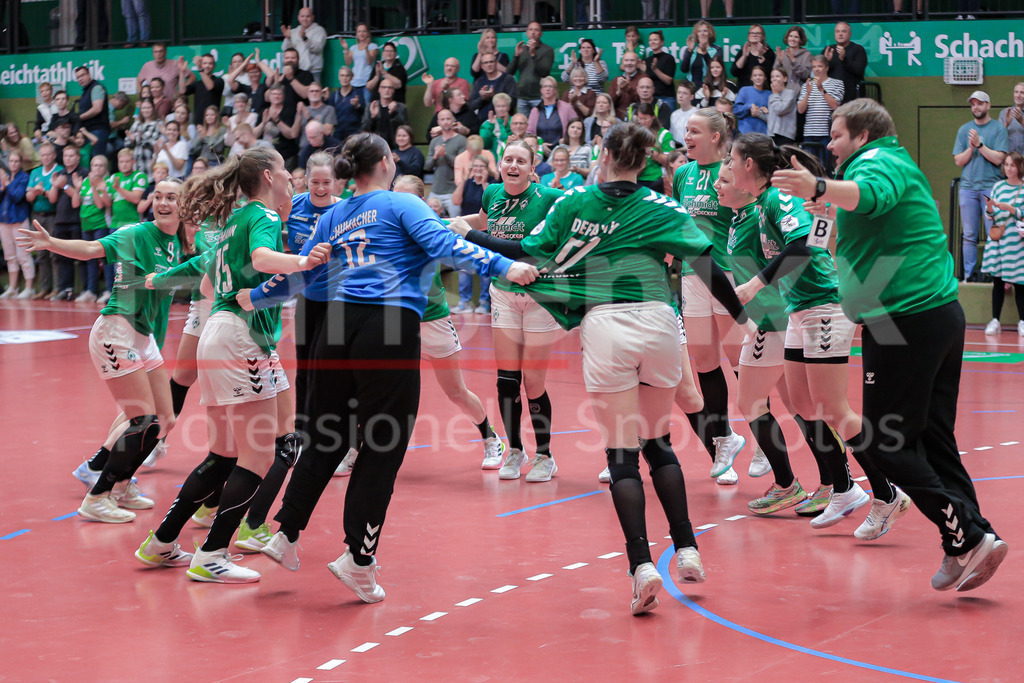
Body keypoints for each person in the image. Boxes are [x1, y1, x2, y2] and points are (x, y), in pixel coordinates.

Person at [450, 123, 751, 615]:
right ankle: (687, 547)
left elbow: (526, 251)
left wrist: (470, 236)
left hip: (607, 325)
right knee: (658, 443)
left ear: (605, 155)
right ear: (645, 161)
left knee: (622, 455)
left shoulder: (576, 202)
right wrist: (742, 316)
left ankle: (641, 566)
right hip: (658, 321)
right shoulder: (663, 206)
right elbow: (706, 265)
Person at [236, 132, 536, 600]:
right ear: (384, 163)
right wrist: (504, 267)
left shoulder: (333, 215)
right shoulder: (401, 203)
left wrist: (254, 296)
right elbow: (445, 245)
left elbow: (304, 272)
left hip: (336, 326)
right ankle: (359, 560)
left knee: (327, 435)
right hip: (388, 327)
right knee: (383, 444)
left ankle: (286, 533)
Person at [772, 98, 1008, 590]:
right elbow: (843, 235)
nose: (830, 145)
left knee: (884, 439)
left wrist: (819, 186)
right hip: (929, 317)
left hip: (904, 320)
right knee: (933, 438)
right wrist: (827, 210)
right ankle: (970, 538)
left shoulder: (877, 161)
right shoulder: (876, 168)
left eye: (836, 135)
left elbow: (870, 194)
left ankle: (966, 537)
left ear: (861, 135)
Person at [135, 148, 330, 581]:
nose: (290, 176)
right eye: (284, 169)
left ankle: (163, 541)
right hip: (241, 337)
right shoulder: (264, 215)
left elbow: (207, 284)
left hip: (220, 330)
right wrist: (304, 261)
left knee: (226, 452)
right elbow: (260, 259)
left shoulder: (229, 222)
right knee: (258, 455)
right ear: (268, 176)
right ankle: (212, 554)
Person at [732, 131, 908, 531]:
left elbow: (803, 247)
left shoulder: (777, 198)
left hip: (824, 307)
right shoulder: (762, 205)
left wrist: (756, 284)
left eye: (731, 160)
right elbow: (817, 239)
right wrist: (823, 218)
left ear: (749, 165)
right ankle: (844, 489)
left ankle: (887, 493)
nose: (727, 166)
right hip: (799, 310)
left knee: (832, 407)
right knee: (803, 405)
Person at [18, 179, 185, 522]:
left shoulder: (176, 243)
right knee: (143, 421)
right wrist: (51, 242)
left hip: (144, 336)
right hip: (116, 332)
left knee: (165, 420)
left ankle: (120, 486)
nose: (163, 202)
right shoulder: (136, 234)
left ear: (184, 206)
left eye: (172, 197)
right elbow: (91, 248)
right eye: (158, 196)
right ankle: (97, 497)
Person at [451, 141, 564, 483]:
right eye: (508, 159)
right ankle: (515, 449)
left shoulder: (550, 198)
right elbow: (484, 223)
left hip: (540, 295)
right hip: (503, 293)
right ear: (500, 165)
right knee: (506, 380)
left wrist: (469, 233)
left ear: (532, 168)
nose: (513, 165)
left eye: (521, 161)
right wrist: (446, 222)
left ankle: (545, 455)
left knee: (534, 381)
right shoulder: (492, 193)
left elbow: (529, 248)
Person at [672, 109, 755, 483]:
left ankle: (763, 440)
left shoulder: (734, 171)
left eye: (695, 131)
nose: (687, 136)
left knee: (741, 362)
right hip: (692, 275)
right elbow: (680, 224)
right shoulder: (683, 174)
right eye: (686, 130)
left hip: (728, 274)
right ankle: (724, 440)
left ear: (716, 137)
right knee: (705, 362)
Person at [955, 91, 1010, 282]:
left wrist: (979, 145)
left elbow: (999, 159)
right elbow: (959, 161)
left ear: (988, 105)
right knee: (969, 235)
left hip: (991, 188)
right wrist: (970, 148)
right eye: (973, 104)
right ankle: (969, 276)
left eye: (980, 103)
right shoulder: (964, 130)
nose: (976, 107)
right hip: (968, 188)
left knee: (993, 233)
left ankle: (994, 275)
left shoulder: (998, 129)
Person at [981, 152, 1024, 336]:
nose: (1008, 168)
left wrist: (1010, 209)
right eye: (1006, 165)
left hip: (1017, 242)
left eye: (1012, 165)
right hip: (998, 241)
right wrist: (990, 208)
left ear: (1019, 167)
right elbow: (990, 216)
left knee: (1020, 283)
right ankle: (995, 320)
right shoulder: (998, 186)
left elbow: (1022, 213)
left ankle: (1022, 321)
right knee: (997, 281)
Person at [451, 158, 496, 314]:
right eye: (475, 166)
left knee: (485, 266)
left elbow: (492, 204)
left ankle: (485, 303)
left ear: (487, 169)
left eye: (481, 166)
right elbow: (455, 201)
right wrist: (463, 180)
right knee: (464, 266)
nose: (478, 169)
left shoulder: (492, 185)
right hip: (465, 231)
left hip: (485, 232)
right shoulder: (467, 183)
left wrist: (484, 183)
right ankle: (464, 302)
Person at [25, 142, 62, 299]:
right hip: (37, 216)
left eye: (48, 155)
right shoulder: (35, 172)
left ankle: (57, 288)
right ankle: (44, 288)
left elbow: (54, 198)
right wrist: (35, 191)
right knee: (41, 254)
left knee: (55, 253)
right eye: (43, 155)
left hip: (53, 215)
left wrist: (43, 192)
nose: (45, 158)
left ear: (54, 155)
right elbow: (28, 197)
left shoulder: (59, 171)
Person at [798, 55, 844, 171]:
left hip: (827, 133)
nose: (816, 69)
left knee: (825, 168)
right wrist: (808, 93)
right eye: (814, 67)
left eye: (820, 66)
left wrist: (821, 89)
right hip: (809, 132)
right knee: (810, 168)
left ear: (826, 68)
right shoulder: (807, 85)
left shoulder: (837, 83)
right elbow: (800, 110)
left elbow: (835, 106)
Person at [0, 151, 35, 298]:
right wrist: (2, 188)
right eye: (11, 161)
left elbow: (18, 196)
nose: (13, 164)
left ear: (20, 163)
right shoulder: (5, 177)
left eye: (16, 161)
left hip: (19, 220)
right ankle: (12, 287)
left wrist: (7, 185)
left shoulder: (24, 177)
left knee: (23, 255)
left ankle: (29, 288)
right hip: (4, 221)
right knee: (10, 256)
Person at [425, 110, 467, 217]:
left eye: (448, 119)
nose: (446, 122)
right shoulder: (434, 141)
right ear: (438, 122)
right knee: (430, 219)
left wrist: (445, 154)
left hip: (453, 191)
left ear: (453, 120)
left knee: (456, 221)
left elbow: (461, 165)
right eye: (442, 119)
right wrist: (435, 157)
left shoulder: (461, 140)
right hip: (435, 190)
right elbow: (427, 166)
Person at [508, 22, 555, 116]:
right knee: (522, 124)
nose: (533, 32)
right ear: (526, 33)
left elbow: (544, 73)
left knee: (539, 123)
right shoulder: (522, 49)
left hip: (539, 96)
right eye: (530, 29)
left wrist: (533, 55)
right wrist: (516, 56)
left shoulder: (547, 50)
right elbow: (509, 72)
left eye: (536, 30)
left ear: (541, 34)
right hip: (522, 96)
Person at [528, 77, 574, 154]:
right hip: (539, 152)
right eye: (545, 86)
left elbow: (576, 125)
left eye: (550, 86)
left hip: (561, 150)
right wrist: (540, 144)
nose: (547, 89)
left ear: (556, 90)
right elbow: (529, 132)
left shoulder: (567, 108)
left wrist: (566, 140)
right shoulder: (535, 111)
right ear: (541, 90)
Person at [824, 22, 866, 105]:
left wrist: (844, 59)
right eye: (837, 31)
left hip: (852, 96)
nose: (840, 34)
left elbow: (859, 70)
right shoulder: (829, 50)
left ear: (850, 34)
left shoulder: (858, 49)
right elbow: (819, 73)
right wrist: (826, 62)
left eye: (844, 31)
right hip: (831, 95)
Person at [633, 103, 672, 192]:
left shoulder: (664, 134)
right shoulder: (635, 134)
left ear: (653, 117)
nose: (642, 122)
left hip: (656, 179)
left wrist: (651, 152)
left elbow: (669, 161)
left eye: (645, 118)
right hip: (637, 178)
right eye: (640, 119)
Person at [281, 7, 327, 84]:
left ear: (312, 17)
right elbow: (285, 50)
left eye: (307, 16)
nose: (305, 19)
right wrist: (287, 38)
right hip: (297, 71)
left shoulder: (319, 30)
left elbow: (317, 48)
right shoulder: (293, 31)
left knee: (314, 91)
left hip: (313, 71)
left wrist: (305, 39)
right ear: (298, 18)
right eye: (302, 16)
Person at [469, 52, 518, 122]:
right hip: (483, 123)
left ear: (496, 63)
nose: (489, 65)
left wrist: (493, 95)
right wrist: (482, 98)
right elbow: (471, 106)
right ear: (482, 66)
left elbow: (513, 102)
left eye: (491, 62)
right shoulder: (479, 81)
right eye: (486, 63)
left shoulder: (508, 79)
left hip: (504, 122)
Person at [179, 54, 225, 128]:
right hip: (198, 125)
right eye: (205, 63)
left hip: (213, 124)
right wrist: (181, 72)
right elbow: (182, 91)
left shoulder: (219, 81)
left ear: (214, 66)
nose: (207, 66)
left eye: (210, 63)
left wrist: (200, 68)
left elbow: (210, 86)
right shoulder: (197, 84)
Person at [75, 66, 110, 161]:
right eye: (78, 77)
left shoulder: (96, 88)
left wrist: (79, 117)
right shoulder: (86, 91)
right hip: (89, 131)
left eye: (82, 75)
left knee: (98, 160)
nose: (80, 79)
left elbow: (97, 109)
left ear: (89, 75)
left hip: (98, 131)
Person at [338, 23, 378, 106]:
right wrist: (345, 49)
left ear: (368, 33)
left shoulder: (373, 46)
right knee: (354, 106)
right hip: (354, 82)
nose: (361, 33)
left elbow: (369, 61)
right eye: (359, 31)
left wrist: (366, 48)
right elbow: (348, 62)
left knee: (367, 106)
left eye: (364, 31)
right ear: (356, 34)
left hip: (367, 82)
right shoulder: (353, 47)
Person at [360, 82, 408, 149]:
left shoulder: (400, 107)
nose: (387, 90)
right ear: (379, 89)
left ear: (393, 90)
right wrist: (372, 117)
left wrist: (393, 114)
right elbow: (364, 129)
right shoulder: (371, 106)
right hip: (375, 146)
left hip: (395, 147)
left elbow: (405, 129)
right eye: (384, 87)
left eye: (390, 87)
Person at [127, 99, 164, 178]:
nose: (146, 110)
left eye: (148, 108)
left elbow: (156, 144)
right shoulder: (136, 123)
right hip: (136, 166)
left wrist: (141, 138)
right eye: (144, 108)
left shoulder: (158, 123)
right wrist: (132, 140)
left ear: (153, 109)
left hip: (150, 165)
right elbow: (126, 142)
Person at [731, 25, 775, 91]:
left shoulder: (768, 52)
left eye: (758, 33)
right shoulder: (743, 51)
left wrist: (760, 56)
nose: (754, 35)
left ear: (763, 36)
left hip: (763, 91)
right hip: (745, 90)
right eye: (752, 33)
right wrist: (744, 56)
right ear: (748, 36)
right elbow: (734, 72)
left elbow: (769, 74)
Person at [679, 21, 722, 88]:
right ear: (696, 34)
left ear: (710, 33)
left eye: (705, 31)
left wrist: (705, 52)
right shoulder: (691, 49)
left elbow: (713, 69)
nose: (702, 33)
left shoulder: (717, 49)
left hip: (708, 86)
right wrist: (689, 51)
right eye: (699, 31)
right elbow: (684, 69)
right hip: (691, 87)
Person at [329, 67, 365, 142]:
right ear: (339, 77)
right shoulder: (334, 95)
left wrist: (357, 105)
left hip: (354, 132)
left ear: (351, 77)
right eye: (342, 75)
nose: (344, 78)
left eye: (347, 76)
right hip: (338, 133)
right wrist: (326, 99)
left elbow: (364, 112)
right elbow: (330, 113)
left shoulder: (357, 93)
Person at [645, 31, 678, 111]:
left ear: (662, 42)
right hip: (652, 98)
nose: (652, 42)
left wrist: (655, 69)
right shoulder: (647, 60)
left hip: (666, 98)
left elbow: (668, 81)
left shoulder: (669, 58)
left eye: (655, 40)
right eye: (650, 40)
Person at [735, 66, 770, 136]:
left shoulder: (769, 94)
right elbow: (736, 110)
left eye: (760, 75)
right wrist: (749, 106)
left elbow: (774, 118)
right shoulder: (744, 90)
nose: (758, 78)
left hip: (763, 135)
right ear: (751, 78)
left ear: (765, 77)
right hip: (746, 134)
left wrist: (766, 112)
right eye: (755, 75)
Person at [767, 67, 798, 146]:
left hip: (785, 134)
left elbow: (780, 110)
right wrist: (759, 113)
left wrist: (775, 94)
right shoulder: (771, 96)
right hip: (772, 134)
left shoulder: (790, 93)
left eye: (777, 76)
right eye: (772, 77)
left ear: (785, 79)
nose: (774, 79)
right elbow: (771, 117)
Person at [608, 51, 643, 119]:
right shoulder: (616, 80)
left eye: (632, 60)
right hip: (618, 119)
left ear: (637, 63)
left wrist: (629, 89)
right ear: (622, 63)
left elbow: (644, 101)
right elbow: (608, 104)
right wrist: (618, 93)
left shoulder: (643, 78)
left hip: (637, 118)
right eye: (626, 60)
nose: (629, 63)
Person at [777, 26, 812, 93]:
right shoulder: (782, 54)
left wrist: (793, 61)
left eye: (796, 37)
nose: (792, 39)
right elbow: (775, 75)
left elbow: (806, 75)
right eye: (790, 36)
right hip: (783, 93)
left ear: (801, 40)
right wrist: (779, 62)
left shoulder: (806, 55)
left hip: (799, 94)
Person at [998, 83, 1024, 156]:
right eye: (1016, 92)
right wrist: (1006, 124)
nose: (1018, 95)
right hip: (1008, 158)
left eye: (1022, 92)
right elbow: (998, 136)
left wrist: (1022, 121)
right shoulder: (1004, 113)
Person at [669, 82, 697, 148]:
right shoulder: (674, 114)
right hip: (676, 151)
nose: (680, 96)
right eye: (679, 92)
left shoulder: (696, 114)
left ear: (691, 97)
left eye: (685, 93)